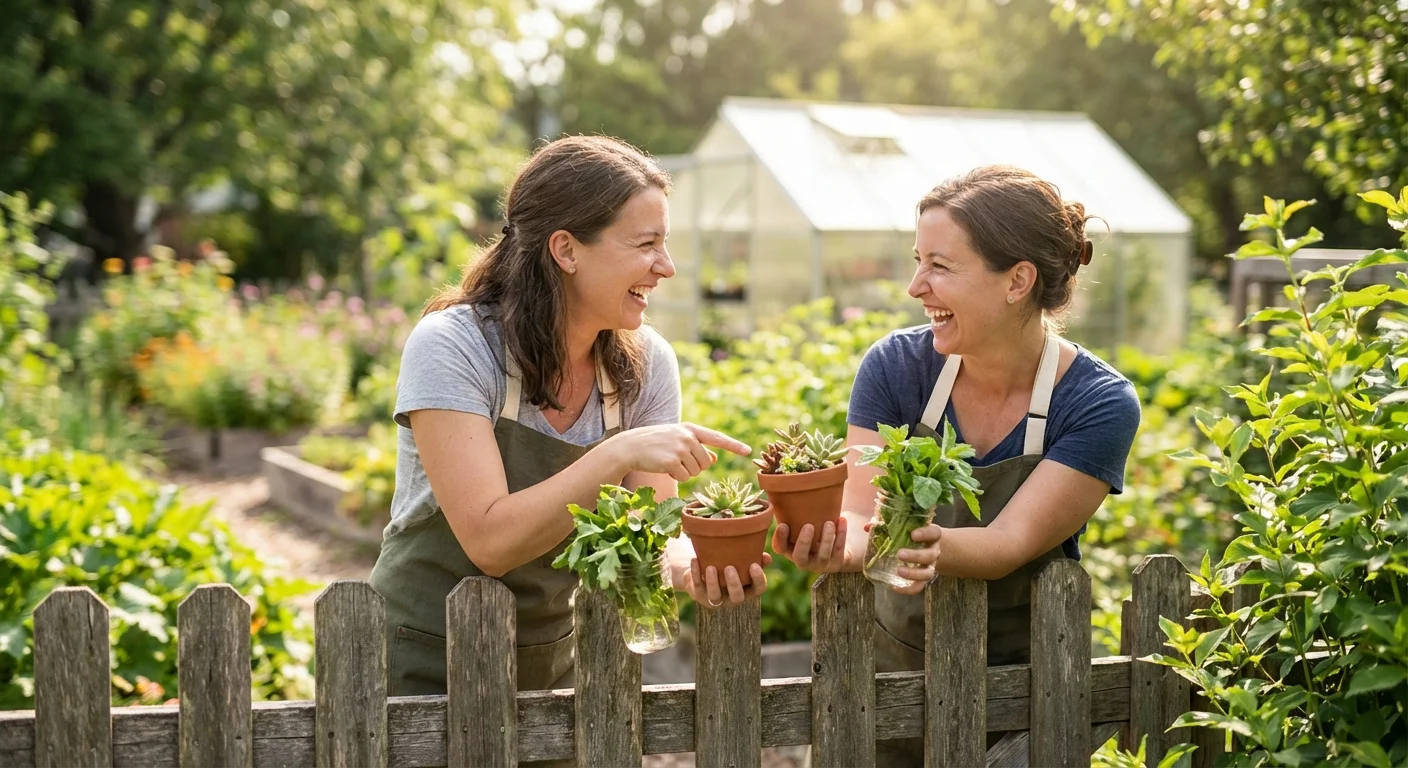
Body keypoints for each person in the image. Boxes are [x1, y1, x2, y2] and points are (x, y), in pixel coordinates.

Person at [369, 136, 766, 706]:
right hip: (426, 663)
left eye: (666, 244)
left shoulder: (646, 363)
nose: (668, 267)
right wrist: (619, 452)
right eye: (646, 244)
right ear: (566, 249)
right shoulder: (454, 346)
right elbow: (490, 540)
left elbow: (653, 532)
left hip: (552, 666)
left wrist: (694, 568)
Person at [773, 165, 1141, 764]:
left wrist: (915, 545)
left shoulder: (1097, 403)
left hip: (1026, 694)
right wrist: (832, 543)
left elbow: (1005, 545)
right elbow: (861, 514)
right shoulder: (896, 368)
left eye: (940, 266)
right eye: (918, 260)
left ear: (1017, 280)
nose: (916, 286)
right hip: (885, 679)